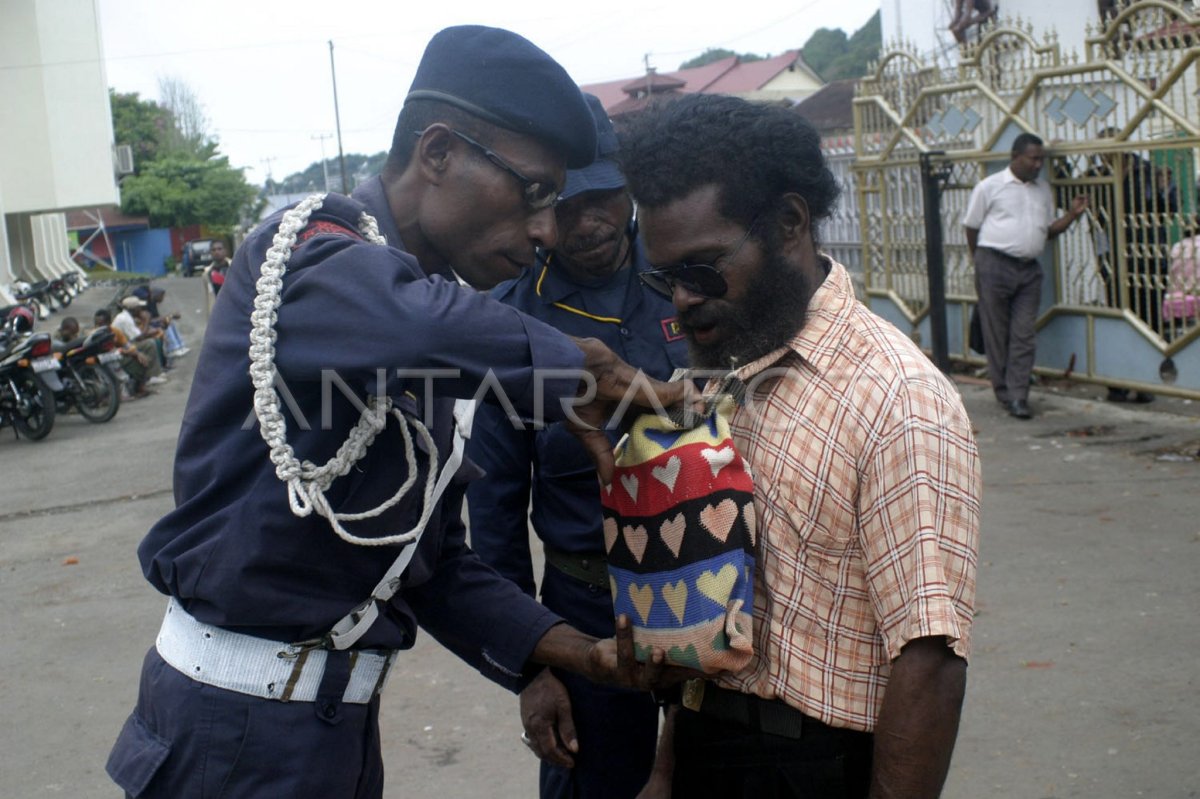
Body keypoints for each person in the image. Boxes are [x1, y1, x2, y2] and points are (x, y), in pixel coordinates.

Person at [105, 26, 696, 799]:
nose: (547, 229)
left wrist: (575, 655)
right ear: (440, 151)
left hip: (332, 735)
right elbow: (412, 319)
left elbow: (439, 568)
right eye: (535, 192)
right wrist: (580, 368)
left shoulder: (435, 329)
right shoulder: (309, 251)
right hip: (233, 733)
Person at [618, 94, 981, 799]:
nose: (682, 302)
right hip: (706, 742)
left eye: (702, 270)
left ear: (789, 224)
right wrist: (666, 770)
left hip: (815, 768)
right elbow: (715, 603)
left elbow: (931, 659)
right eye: (665, 279)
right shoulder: (718, 373)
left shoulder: (898, 397)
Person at [466, 94, 688, 799]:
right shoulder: (508, 318)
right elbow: (493, 518)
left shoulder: (689, 276)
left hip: (719, 594)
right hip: (587, 616)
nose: (591, 221)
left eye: (608, 197)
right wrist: (531, 668)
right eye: (570, 204)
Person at [963, 133, 1088, 419]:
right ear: (1015, 157)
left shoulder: (1042, 189)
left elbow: (1048, 231)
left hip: (1029, 270)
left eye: (1041, 159)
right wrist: (980, 263)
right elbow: (971, 227)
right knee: (997, 333)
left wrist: (1072, 215)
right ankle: (1003, 392)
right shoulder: (989, 187)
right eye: (1033, 158)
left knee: (1024, 334)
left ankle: (1019, 395)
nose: (1038, 164)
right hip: (994, 264)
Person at [94, 308, 157, 399]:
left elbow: (128, 345)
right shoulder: (93, 336)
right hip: (103, 364)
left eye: (101, 324)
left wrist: (137, 353)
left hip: (117, 359)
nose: (98, 327)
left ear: (109, 323)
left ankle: (139, 388)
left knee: (142, 358)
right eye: (97, 324)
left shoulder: (114, 332)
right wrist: (125, 352)